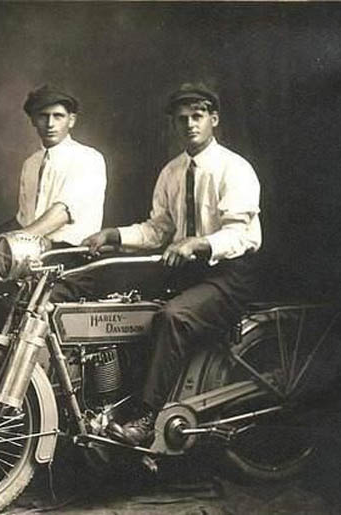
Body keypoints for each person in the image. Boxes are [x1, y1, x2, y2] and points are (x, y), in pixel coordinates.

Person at [82, 83, 262, 447]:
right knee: (119, 300)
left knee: (173, 317)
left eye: (197, 117)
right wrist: (113, 235)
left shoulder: (234, 169)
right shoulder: (172, 172)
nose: (190, 125)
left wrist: (198, 243)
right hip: (188, 272)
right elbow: (158, 229)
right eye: (182, 120)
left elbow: (240, 234)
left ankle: (147, 419)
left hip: (231, 275)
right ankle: (111, 405)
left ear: (214, 119)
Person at [0, 84, 107, 300]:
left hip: (71, 265)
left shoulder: (88, 159)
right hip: (32, 263)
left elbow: (62, 213)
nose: (50, 124)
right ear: (33, 120)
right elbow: (24, 221)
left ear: (71, 120)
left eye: (58, 116)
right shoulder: (31, 164)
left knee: (21, 310)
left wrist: (11, 241)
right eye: (43, 116)